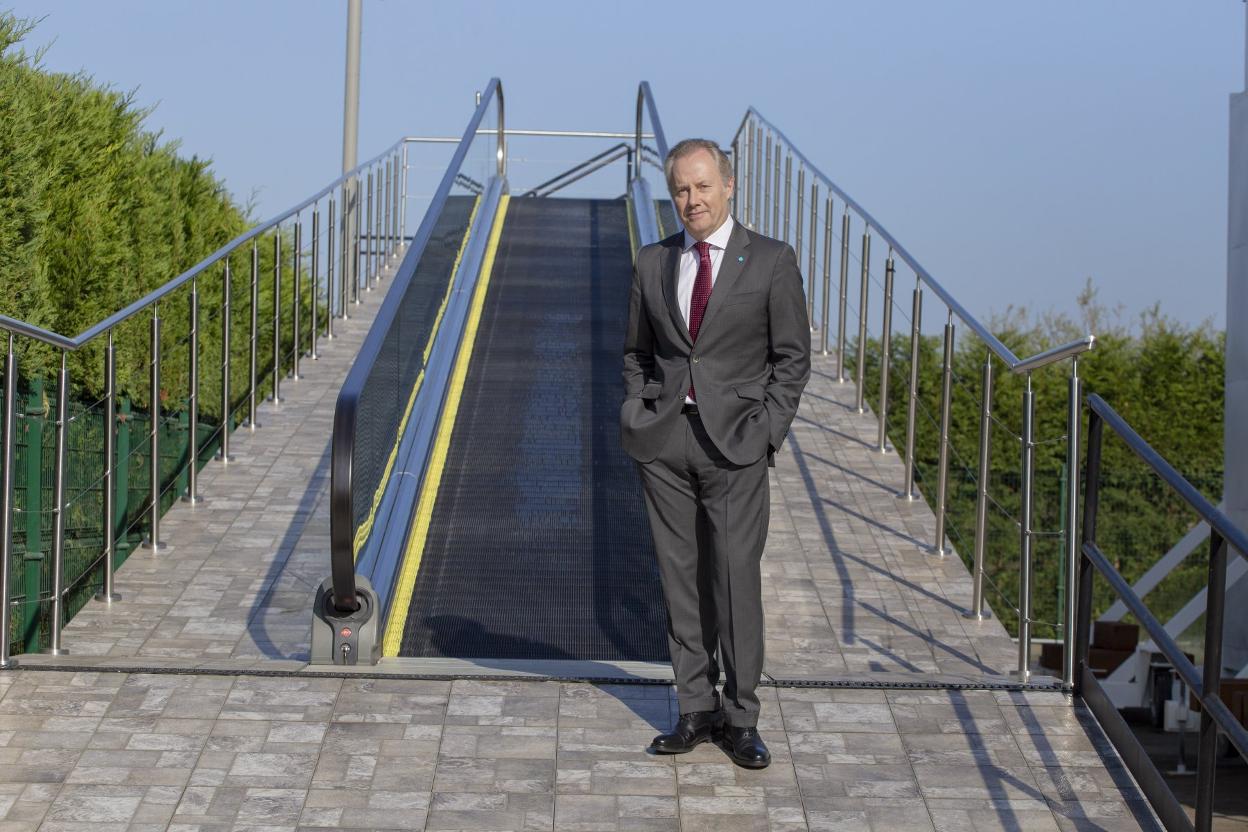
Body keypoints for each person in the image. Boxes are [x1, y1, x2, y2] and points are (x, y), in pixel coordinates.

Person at [620, 138, 810, 768]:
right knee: (680, 582)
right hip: (667, 442)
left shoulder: (772, 262)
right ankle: (694, 708)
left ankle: (741, 717)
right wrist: (642, 408)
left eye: (703, 187)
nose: (692, 200)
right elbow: (637, 353)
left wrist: (766, 431)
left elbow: (792, 359)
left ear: (729, 187)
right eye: (680, 189)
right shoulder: (652, 262)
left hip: (735, 446)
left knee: (733, 580)